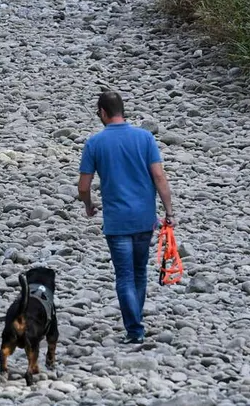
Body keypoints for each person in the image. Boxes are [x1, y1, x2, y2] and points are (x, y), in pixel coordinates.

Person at [77, 90, 176, 344]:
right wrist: (168, 211)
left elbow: (84, 187)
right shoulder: (145, 138)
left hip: (117, 221)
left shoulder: (95, 143)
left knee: (124, 276)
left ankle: (134, 330)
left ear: (102, 113)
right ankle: (136, 322)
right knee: (139, 272)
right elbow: (159, 177)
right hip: (144, 218)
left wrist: (89, 206)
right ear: (122, 110)